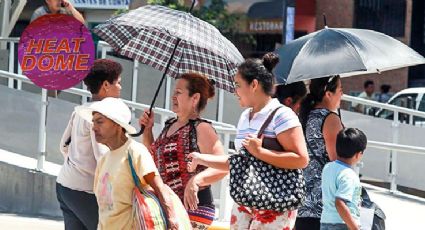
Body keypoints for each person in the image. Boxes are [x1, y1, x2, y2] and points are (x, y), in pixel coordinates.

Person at [188, 53, 309, 229]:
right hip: (246, 199)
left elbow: (301, 159)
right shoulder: (246, 116)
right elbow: (241, 161)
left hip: (275, 201)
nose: (235, 91)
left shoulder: (282, 115)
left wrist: (260, 152)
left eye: (238, 85)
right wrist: (201, 158)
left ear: (254, 85)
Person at [139, 73, 228, 229]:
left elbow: (223, 166)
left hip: (193, 207)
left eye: (178, 93)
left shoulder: (202, 128)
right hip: (170, 205)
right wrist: (148, 129)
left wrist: (196, 181)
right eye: (174, 92)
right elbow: (152, 157)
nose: (173, 97)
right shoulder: (170, 124)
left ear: (195, 98)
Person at [76, 98, 178, 230]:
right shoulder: (104, 160)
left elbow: (159, 188)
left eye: (100, 122)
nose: (94, 128)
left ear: (118, 125)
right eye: (93, 122)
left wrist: (171, 219)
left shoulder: (135, 152)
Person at [57, 59, 123, 230]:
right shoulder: (101, 115)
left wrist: (78, 164)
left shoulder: (81, 110)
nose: (120, 88)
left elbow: (63, 146)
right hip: (85, 192)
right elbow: (103, 157)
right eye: (118, 83)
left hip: (65, 186)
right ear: (106, 85)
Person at [296, 75, 344, 230]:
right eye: (340, 90)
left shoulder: (303, 115)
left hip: (302, 201)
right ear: (328, 94)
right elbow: (337, 162)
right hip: (323, 204)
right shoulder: (330, 119)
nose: (342, 94)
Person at [321, 128, 367, 230]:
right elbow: (340, 203)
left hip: (325, 222)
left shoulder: (328, 167)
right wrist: (355, 228)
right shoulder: (349, 175)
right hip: (342, 224)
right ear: (358, 154)